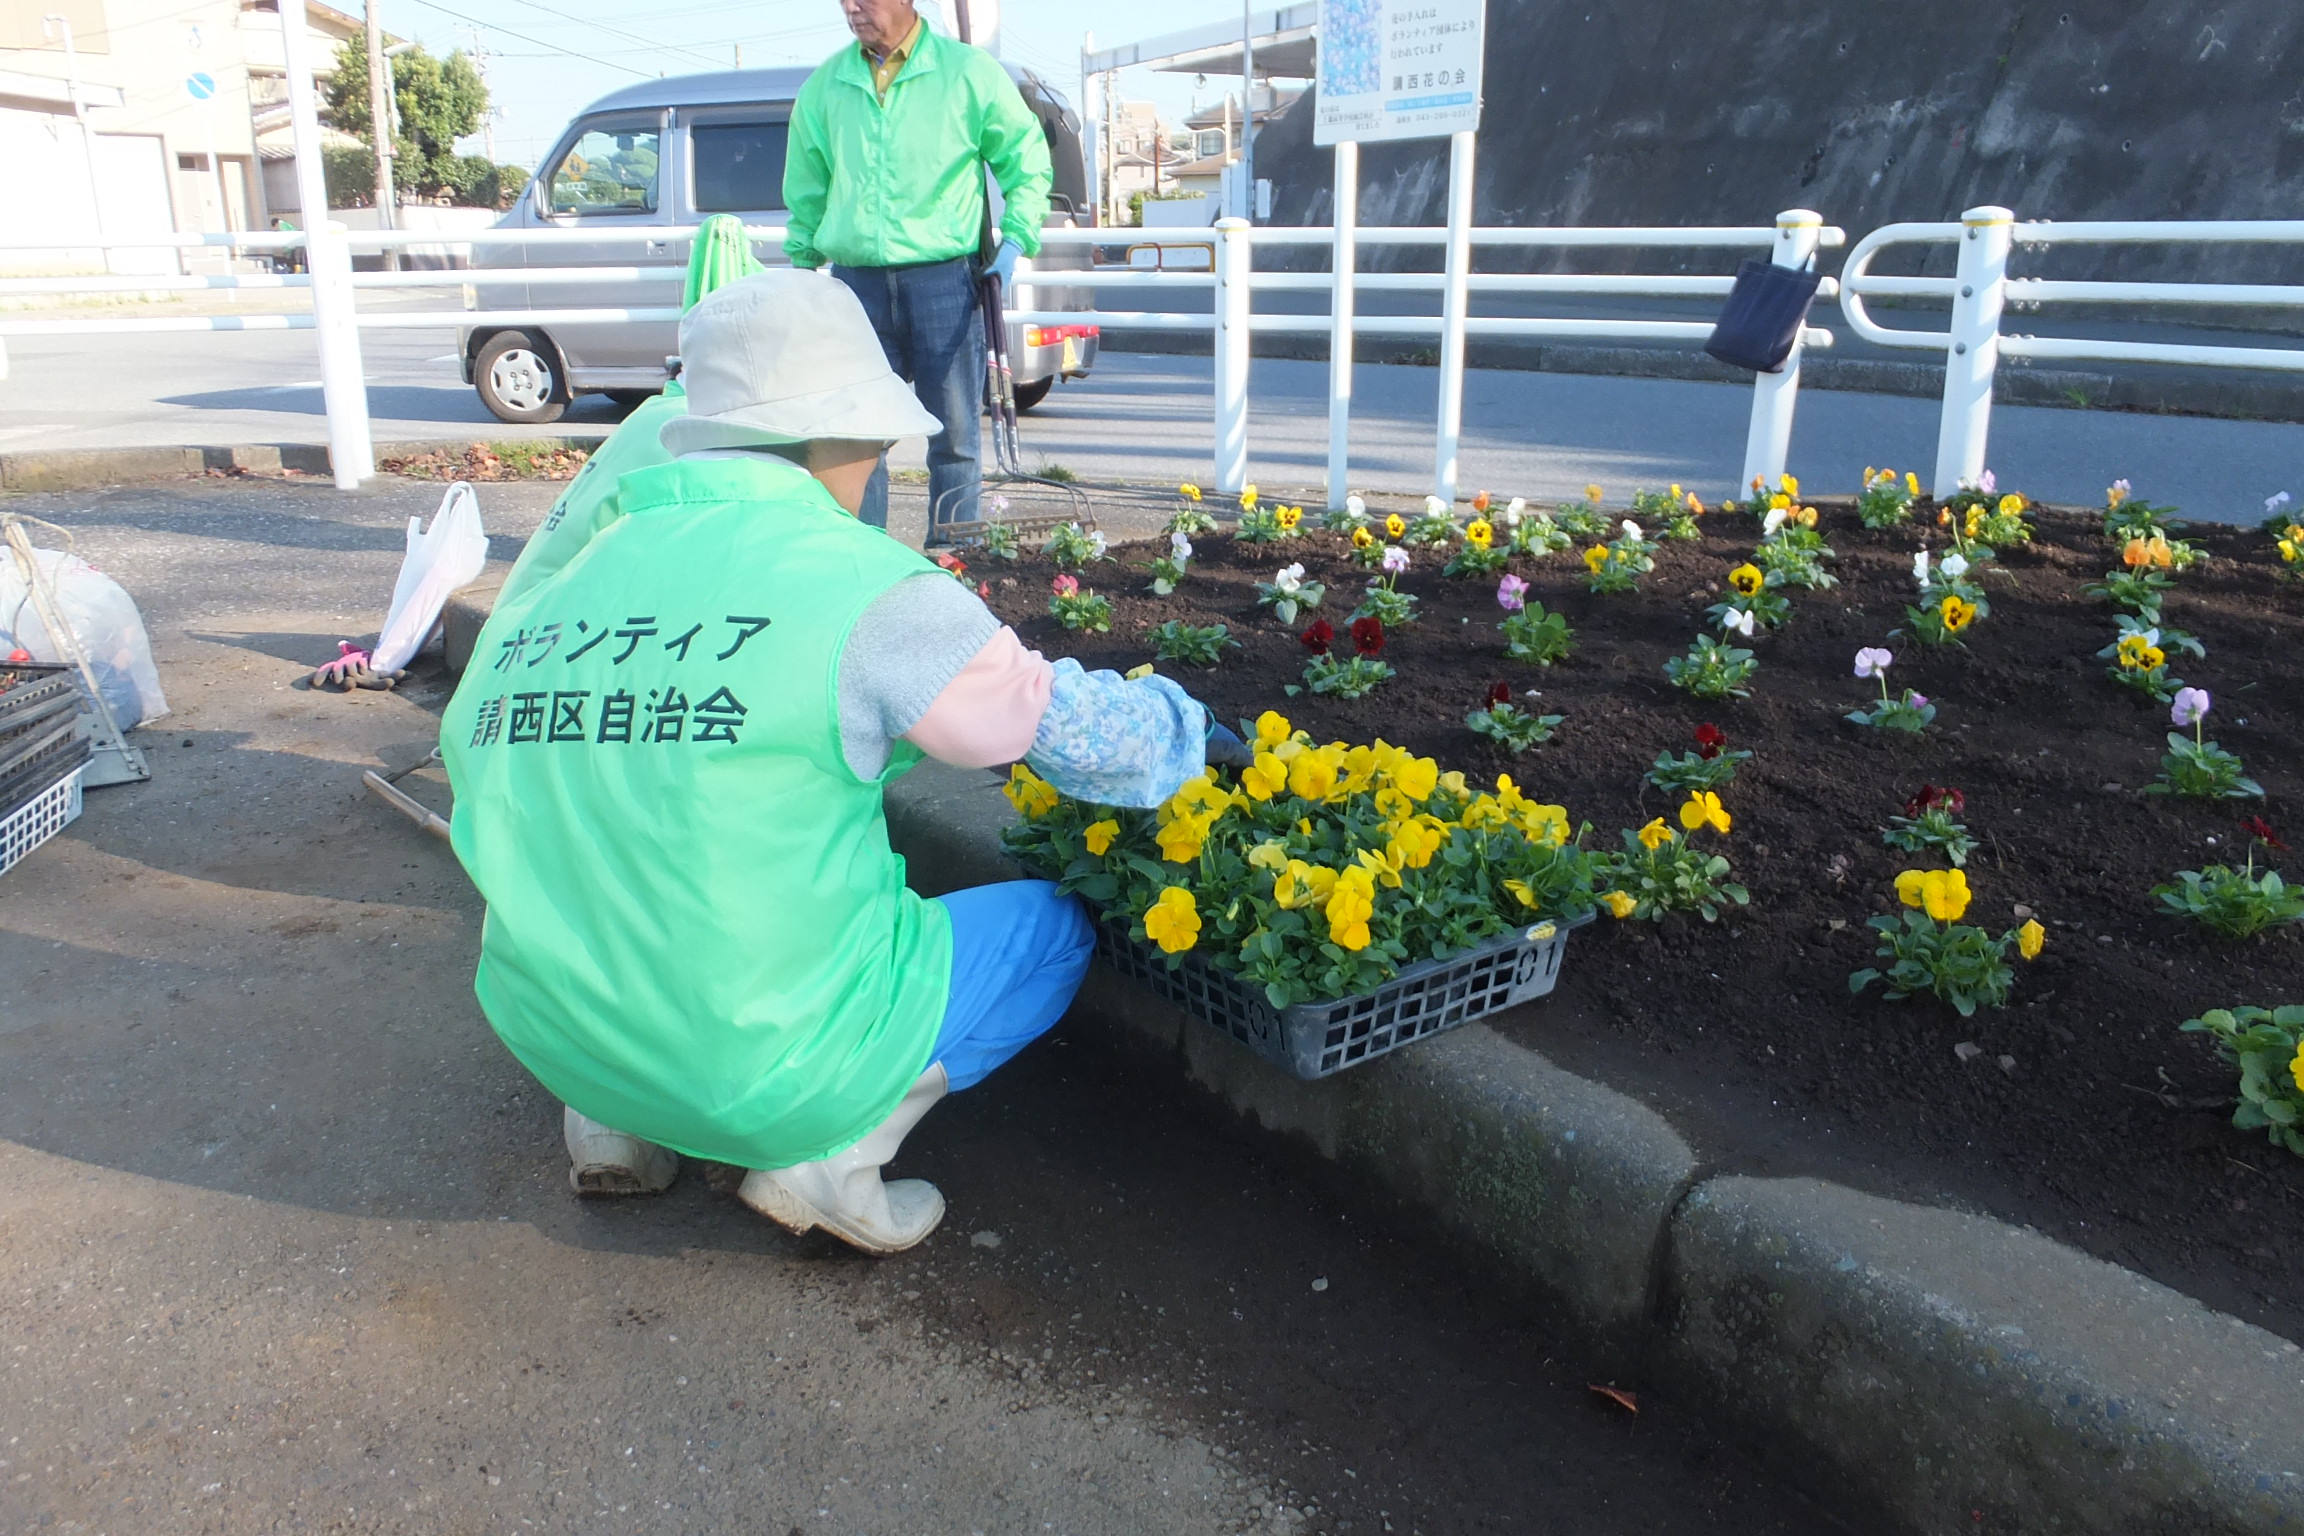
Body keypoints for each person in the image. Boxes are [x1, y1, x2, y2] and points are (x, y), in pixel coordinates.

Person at [440, 270, 1214, 1256]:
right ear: (843, 433)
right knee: (1046, 931)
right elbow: (1084, 742)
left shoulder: (571, 582)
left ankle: (613, 1122)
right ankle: (830, 1153)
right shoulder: (862, 588)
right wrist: (1188, 728)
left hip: (553, 1030)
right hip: (765, 1061)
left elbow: (482, 782)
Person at [782, 0, 1052, 537]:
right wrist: (802, 264)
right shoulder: (826, 84)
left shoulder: (968, 74)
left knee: (954, 438)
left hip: (946, 283)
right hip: (854, 288)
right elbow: (807, 185)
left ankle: (955, 564)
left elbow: (1027, 159)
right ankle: (866, 566)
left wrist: (1016, 238)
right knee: (858, 440)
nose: (852, 7)